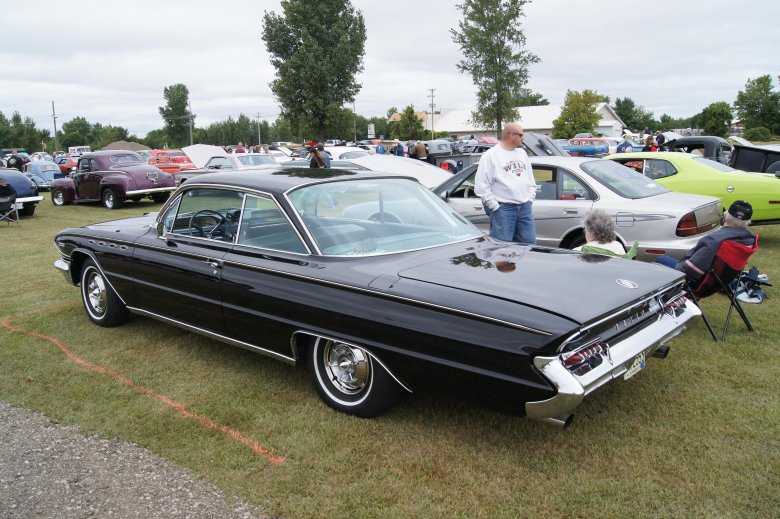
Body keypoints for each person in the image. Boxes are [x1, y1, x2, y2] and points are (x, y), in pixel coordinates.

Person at [655, 200, 755, 283]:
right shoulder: (750, 238)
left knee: (661, 260)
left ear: (726, 215)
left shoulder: (715, 239)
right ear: (748, 221)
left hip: (698, 282)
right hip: (722, 281)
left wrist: (681, 265)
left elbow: (693, 269)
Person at [474, 122, 537, 244]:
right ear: (511, 135)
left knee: (529, 247)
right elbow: (481, 186)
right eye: (521, 135)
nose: (523, 138)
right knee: (502, 250)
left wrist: (529, 199)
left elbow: (530, 180)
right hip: (504, 209)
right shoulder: (490, 155)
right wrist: (496, 207)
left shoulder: (522, 153)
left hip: (525, 208)